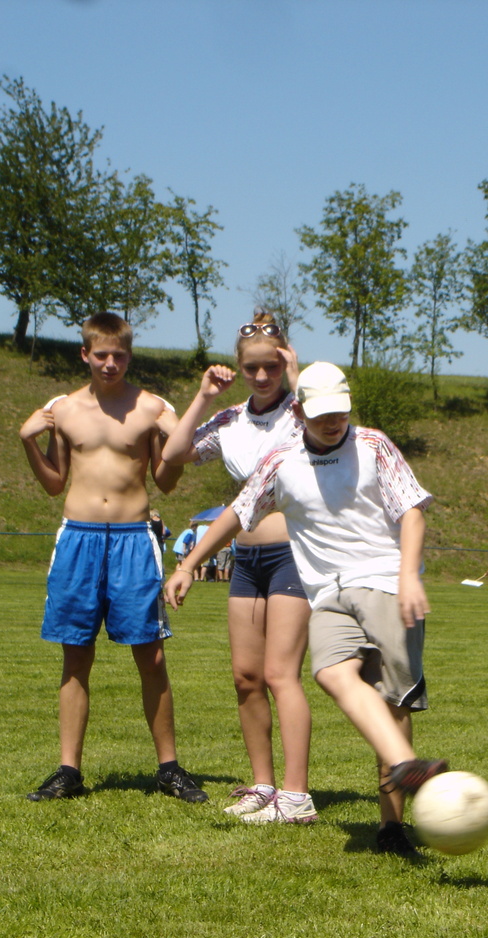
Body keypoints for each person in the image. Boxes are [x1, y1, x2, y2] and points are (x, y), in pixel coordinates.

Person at [165, 361, 448, 856]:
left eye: (340, 412)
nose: (333, 422)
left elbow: (412, 511)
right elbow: (238, 512)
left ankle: (391, 827)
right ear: (298, 412)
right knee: (330, 672)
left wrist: (407, 575)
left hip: (385, 583)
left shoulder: (374, 445)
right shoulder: (281, 461)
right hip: (329, 594)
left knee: (392, 702)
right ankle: (406, 764)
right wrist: (189, 563)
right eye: (321, 415)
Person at [19, 311, 207, 803]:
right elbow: (54, 483)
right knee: (75, 653)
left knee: (152, 654)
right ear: (85, 354)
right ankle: (68, 771)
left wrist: (175, 442)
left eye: (119, 356)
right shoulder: (62, 410)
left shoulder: (150, 408)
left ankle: (169, 768)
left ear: (129, 356)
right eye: (101, 355)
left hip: (133, 539)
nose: (109, 363)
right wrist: (28, 440)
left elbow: (166, 480)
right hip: (78, 537)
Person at [161, 309, 314, 825]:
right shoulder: (230, 420)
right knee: (246, 677)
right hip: (246, 557)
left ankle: (296, 796)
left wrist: (298, 374)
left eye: (272, 365)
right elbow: (174, 453)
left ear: (284, 362)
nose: (262, 376)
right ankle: (263, 787)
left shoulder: (303, 411)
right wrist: (205, 395)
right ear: (239, 368)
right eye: (252, 368)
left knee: (280, 674)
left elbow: (329, 428)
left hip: (294, 553)